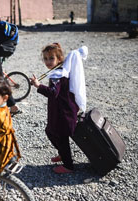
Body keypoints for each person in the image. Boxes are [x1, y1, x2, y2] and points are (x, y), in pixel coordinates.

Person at [30, 43, 87, 174]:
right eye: (45, 58)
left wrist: (39, 86)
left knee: (61, 136)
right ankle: (62, 153)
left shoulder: (58, 74)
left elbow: (52, 93)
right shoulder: (59, 70)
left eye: (51, 58)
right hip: (61, 110)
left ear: (59, 58)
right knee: (50, 131)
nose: (48, 61)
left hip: (63, 112)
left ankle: (68, 165)